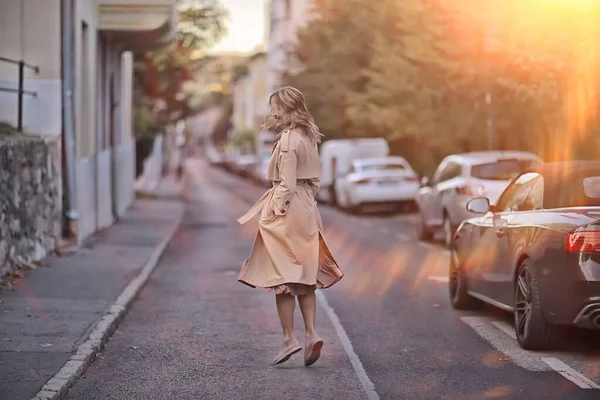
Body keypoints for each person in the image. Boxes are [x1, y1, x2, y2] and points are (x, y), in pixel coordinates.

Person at [237, 86, 344, 366]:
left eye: (276, 108)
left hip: (287, 208)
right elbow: (316, 182)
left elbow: (285, 184)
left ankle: (288, 339)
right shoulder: (310, 136)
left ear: (286, 109)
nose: (273, 113)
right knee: (304, 277)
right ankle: (311, 334)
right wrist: (305, 201)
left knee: (281, 279)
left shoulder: (286, 140)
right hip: (307, 207)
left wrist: (275, 211)